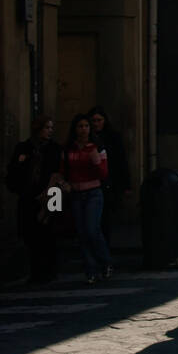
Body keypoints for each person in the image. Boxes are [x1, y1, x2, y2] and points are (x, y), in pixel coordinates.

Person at [6, 114, 63, 284]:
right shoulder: (24, 147)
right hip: (29, 193)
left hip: (52, 192)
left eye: (51, 128)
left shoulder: (55, 148)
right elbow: (15, 170)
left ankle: (50, 270)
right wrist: (18, 187)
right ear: (38, 129)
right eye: (47, 127)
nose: (49, 131)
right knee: (29, 231)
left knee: (49, 232)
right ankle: (36, 270)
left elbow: (58, 170)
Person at [63, 113, 113, 285]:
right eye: (80, 126)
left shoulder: (97, 147)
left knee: (92, 229)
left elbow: (104, 173)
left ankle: (105, 262)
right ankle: (90, 270)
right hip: (76, 193)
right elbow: (64, 170)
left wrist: (96, 160)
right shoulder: (69, 148)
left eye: (86, 126)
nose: (83, 129)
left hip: (93, 193)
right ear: (75, 129)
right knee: (82, 233)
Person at [88, 106, 128, 252]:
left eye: (99, 120)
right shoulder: (87, 139)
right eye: (93, 121)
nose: (96, 124)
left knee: (104, 220)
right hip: (91, 183)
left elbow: (121, 161)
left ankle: (103, 249)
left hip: (108, 183)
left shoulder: (113, 137)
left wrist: (125, 185)